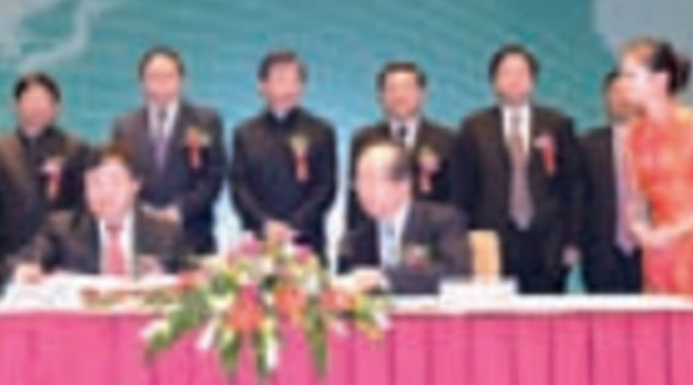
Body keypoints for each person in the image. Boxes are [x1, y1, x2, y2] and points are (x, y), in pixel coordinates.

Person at [451, 44, 581, 293]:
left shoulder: (557, 124)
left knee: (546, 312)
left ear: (533, 80)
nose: (514, 80)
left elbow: (573, 186)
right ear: (494, 81)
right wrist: (465, 241)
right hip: (493, 241)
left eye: (521, 73)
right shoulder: (474, 128)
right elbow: (462, 190)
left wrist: (572, 240)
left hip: (548, 242)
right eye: (506, 73)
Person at [0, 73, 88, 286]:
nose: (37, 107)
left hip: (62, 256)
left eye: (43, 100)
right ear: (15, 105)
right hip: (10, 254)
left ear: (57, 107)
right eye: (30, 99)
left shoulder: (75, 149)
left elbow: (82, 206)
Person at [110, 46, 225, 255]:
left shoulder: (206, 121)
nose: (161, 83)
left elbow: (213, 177)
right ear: (142, 83)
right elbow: (119, 178)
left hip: (192, 232)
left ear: (182, 81)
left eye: (168, 76)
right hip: (141, 236)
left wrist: (179, 210)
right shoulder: (124, 126)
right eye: (154, 77)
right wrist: (145, 215)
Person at [13, 143, 186, 280]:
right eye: (95, 183)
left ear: (135, 184)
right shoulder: (62, 229)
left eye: (114, 182)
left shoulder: (166, 234)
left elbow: (188, 280)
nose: (105, 192)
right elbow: (23, 261)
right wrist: (25, 269)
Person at [229, 50, 337, 259]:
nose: (288, 88)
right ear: (262, 86)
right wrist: (265, 224)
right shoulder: (245, 133)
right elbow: (239, 187)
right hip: (258, 241)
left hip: (306, 239)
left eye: (294, 81)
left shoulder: (321, 131)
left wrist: (294, 225)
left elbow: (326, 187)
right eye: (280, 80)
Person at [338, 141, 470, 295]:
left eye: (373, 181)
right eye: (359, 181)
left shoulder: (442, 221)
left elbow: (456, 272)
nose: (363, 191)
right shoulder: (358, 237)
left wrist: (386, 279)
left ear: (404, 185)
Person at [619, 37, 693, 295]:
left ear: (659, 80)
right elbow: (635, 197)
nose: (623, 83)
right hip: (660, 252)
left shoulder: (689, 127)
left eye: (631, 76)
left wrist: (673, 233)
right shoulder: (634, 134)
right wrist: (641, 229)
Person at [347, 61, 455, 228]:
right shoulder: (364, 140)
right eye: (392, 89)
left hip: (431, 233)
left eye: (407, 88)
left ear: (422, 94)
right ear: (380, 96)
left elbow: (455, 196)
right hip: (376, 232)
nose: (400, 96)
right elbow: (355, 196)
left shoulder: (446, 139)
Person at [577, 70, 643, 293]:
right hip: (601, 254)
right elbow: (577, 199)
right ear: (605, 99)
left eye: (629, 92)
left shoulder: (663, 143)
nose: (623, 98)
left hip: (655, 252)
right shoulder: (586, 145)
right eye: (616, 92)